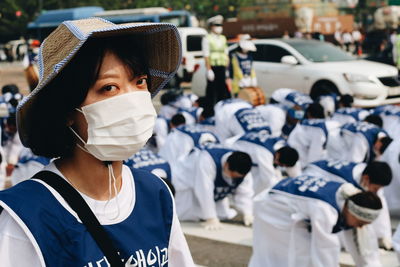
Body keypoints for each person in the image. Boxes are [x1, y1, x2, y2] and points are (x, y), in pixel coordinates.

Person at [0, 18, 194, 266]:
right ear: (67, 110)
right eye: (110, 87)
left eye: (140, 82)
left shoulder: (155, 193)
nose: (132, 101)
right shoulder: (26, 219)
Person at [249, 175, 383, 267]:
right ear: (352, 211)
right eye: (360, 223)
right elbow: (325, 250)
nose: (359, 228)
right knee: (284, 256)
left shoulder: (350, 195)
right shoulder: (325, 210)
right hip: (272, 208)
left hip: (288, 204)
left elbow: (359, 242)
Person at [304, 159, 393, 254]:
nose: (375, 192)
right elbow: (346, 214)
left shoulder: (369, 175)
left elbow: (379, 204)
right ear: (366, 178)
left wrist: (384, 236)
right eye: (375, 189)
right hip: (310, 180)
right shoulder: (345, 185)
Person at [173, 145, 254, 228]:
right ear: (226, 165)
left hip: (213, 188)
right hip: (186, 182)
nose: (232, 179)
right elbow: (204, 189)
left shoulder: (244, 168)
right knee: (184, 215)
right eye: (231, 175)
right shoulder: (208, 160)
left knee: (222, 215)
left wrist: (247, 213)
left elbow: (245, 193)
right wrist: (210, 217)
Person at [227, 129, 300, 194]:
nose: (277, 163)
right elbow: (268, 179)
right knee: (260, 181)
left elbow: (295, 172)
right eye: (278, 162)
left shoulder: (283, 145)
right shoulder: (266, 153)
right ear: (278, 153)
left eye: (281, 165)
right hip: (231, 148)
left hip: (245, 142)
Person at [327, 121, 392, 163]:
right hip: (336, 139)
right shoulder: (362, 139)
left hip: (344, 131)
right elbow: (354, 162)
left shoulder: (384, 134)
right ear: (380, 142)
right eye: (378, 148)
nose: (377, 150)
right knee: (344, 161)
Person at [202, 15, 231, 106]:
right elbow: (206, 55)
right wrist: (209, 70)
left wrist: (227, 69)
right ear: (212, 26)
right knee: (211, 91)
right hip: (213, 67)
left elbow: (226, 54)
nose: (219, 28)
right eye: (217, 25)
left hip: (222, 67)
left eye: (220, 25)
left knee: (222, 90)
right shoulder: (207, 38)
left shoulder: (223, 38)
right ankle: (210, 111)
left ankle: (221, 107)